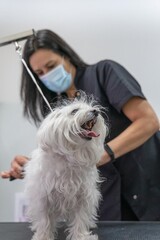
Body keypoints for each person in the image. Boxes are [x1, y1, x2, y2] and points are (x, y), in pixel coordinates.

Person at [1, 29, 160, 221]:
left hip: (144, 184)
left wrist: (102, 154)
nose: (47, 75)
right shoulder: (54, 106)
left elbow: (149, 121)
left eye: (51, 66)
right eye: (40, 73)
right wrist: (33, 166)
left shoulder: (104, 73)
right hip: (107, 201)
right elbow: (61, 153)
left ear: (65, 55)